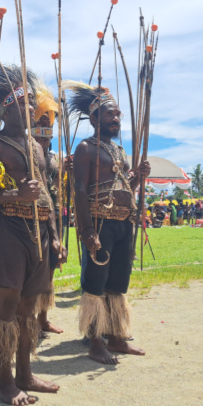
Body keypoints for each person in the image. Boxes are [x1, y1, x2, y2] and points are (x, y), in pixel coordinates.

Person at [0, 65, 65, 405]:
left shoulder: (36, 146)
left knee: (29, 305)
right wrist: (13, 196)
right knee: (8, 307)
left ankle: (26, 374)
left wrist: (54, 235)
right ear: (6, 109)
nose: (32, 109)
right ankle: (5, 381)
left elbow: (47, 196)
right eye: (25, 103)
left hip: (39, 232)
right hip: (8, 230)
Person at [66, 80, 149, 366]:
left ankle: (116, 336)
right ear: (94, 118)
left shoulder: (118, 152)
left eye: (117, 115)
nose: (115, 119)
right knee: (96, 284)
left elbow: (126, 187)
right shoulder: (86, 149)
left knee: (117, 283)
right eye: (110, 115)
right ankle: (95, 341)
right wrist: (86, 231)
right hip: (99, 224)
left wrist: (138, 176)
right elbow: (78, 189)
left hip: (123, 225)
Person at [31, 81, 66, 336]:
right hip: (30, 217)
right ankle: (29, 318)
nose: (44, 131)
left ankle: (43, 317)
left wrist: (69, 176)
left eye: (48, 127)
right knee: (33, 270)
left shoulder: (55, 159)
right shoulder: (26, 154)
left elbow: (58, 187)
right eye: (39, 126)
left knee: (51, 267)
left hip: (52, 216)